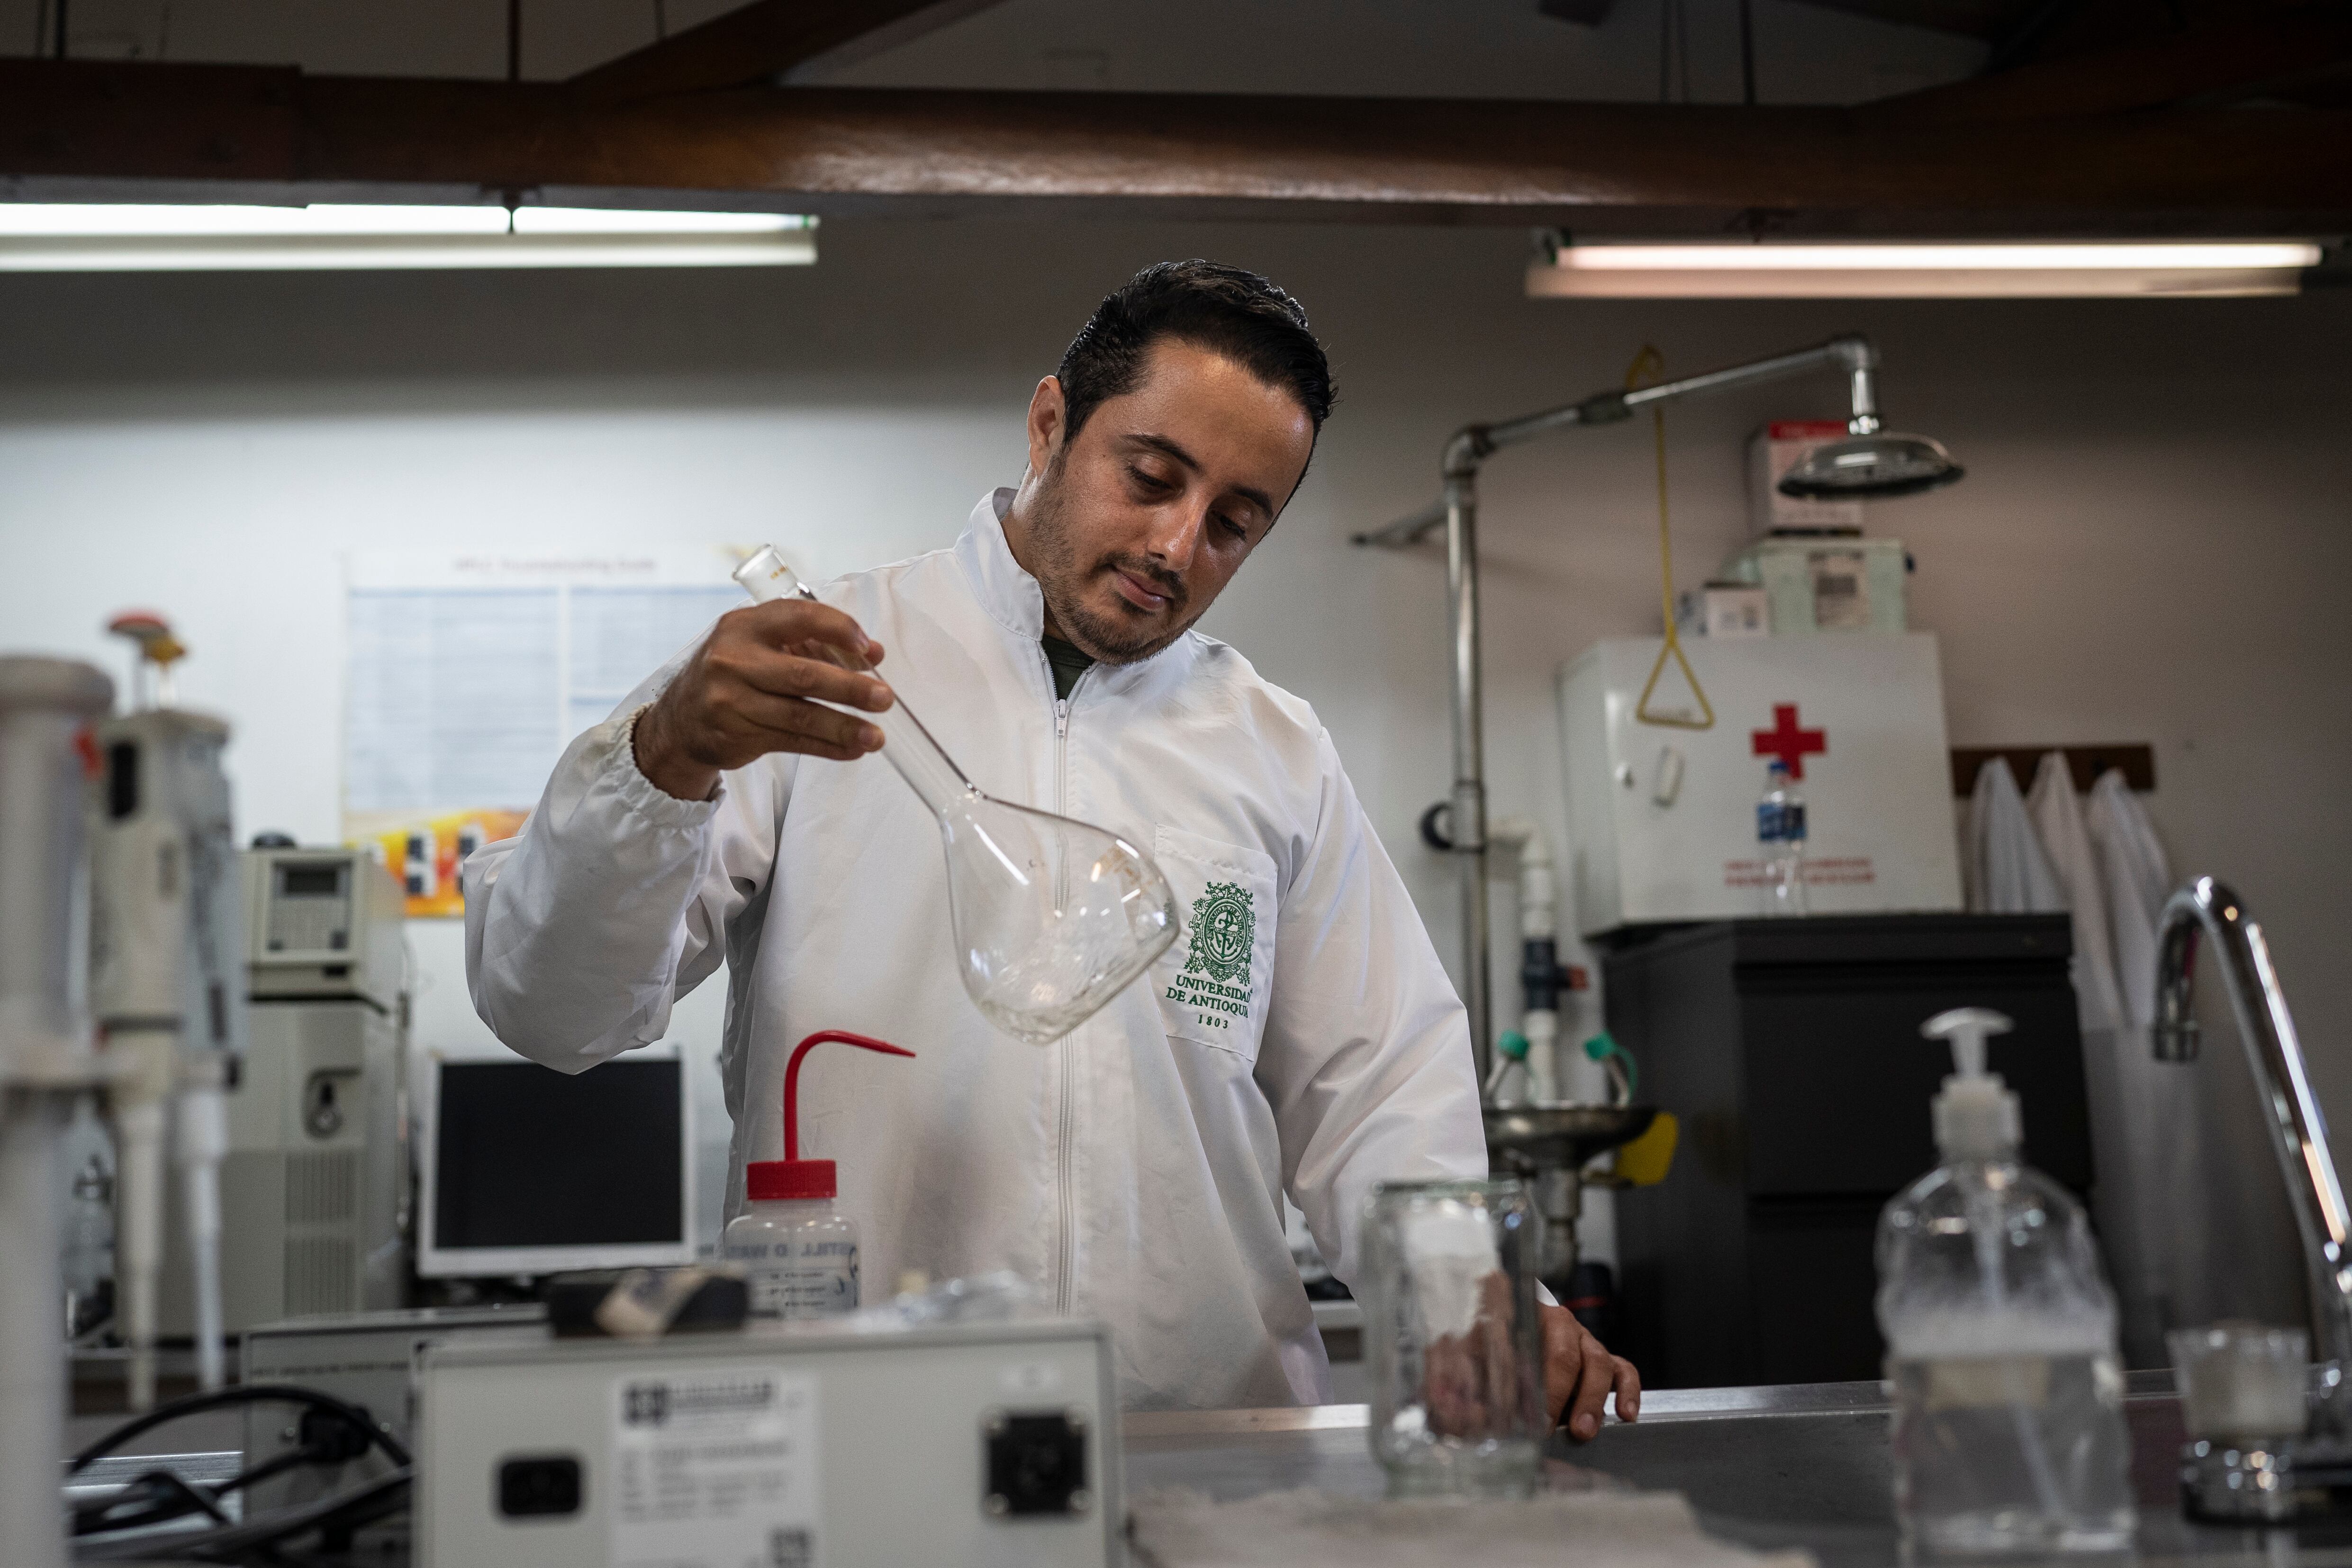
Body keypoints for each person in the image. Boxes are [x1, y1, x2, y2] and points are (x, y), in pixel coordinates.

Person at [463, 259, 1640, 1434]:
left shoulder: (1271, 748)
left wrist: (1476, 1298)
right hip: (874, 1435)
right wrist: (665, 754)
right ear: (1049, 425)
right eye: (1151, 476)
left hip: (1204, 1433)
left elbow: (1375, 1086)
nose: (1178, 545)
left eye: (1235, 521)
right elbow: (550, 1008)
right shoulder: (820, 671)